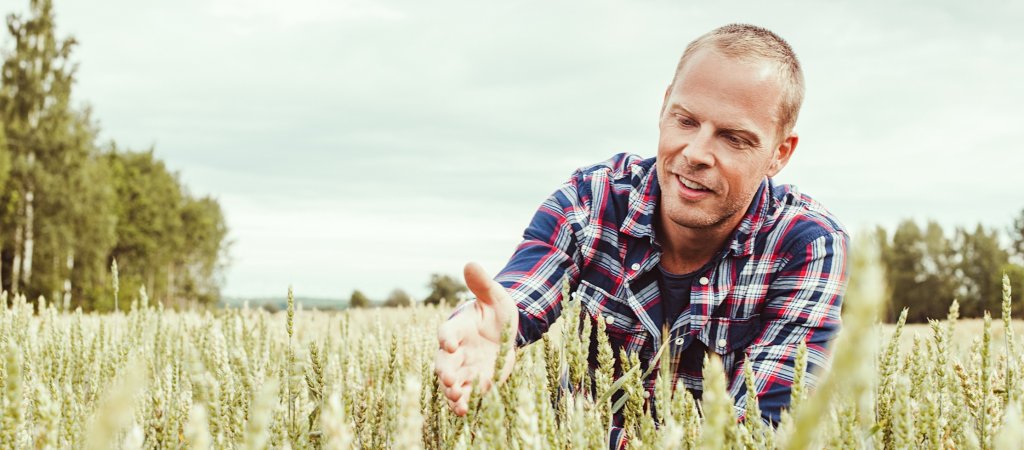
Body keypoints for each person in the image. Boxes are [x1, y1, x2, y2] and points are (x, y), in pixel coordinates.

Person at [433, 23, 848, 437]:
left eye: (733, 138)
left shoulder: (808, 245)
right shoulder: (592, 199)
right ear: (665, 106)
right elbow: (527, 288)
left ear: (780, 153)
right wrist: (500, 323)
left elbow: (758, 430)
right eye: (685, 121)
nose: (696, 153)